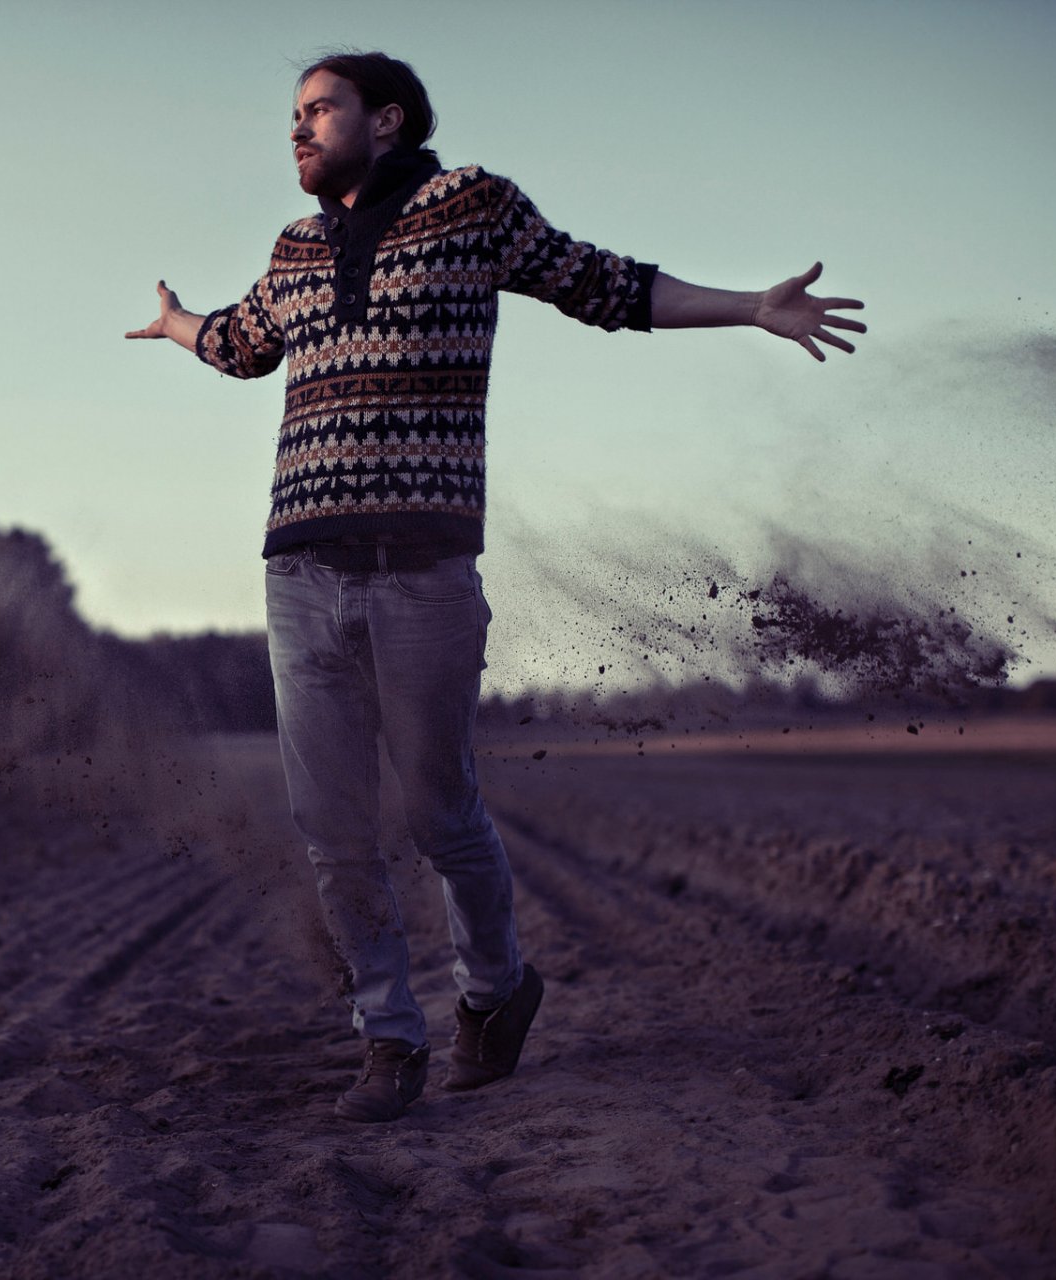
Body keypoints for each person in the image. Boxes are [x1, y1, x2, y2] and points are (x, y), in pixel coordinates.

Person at [125, 50, 865, 1123]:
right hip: (301, 569)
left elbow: (604, 284)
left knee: (437, 807)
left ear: (386, 118)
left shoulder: (470, 204)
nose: (298, 127)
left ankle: (495, 986)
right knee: (330, 824)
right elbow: (241, 347)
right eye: (292, 113)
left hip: (423, 569)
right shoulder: (292, 247)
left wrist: (752, 304)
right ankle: (388, 1034)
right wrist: (178, 319)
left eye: (319, 108)